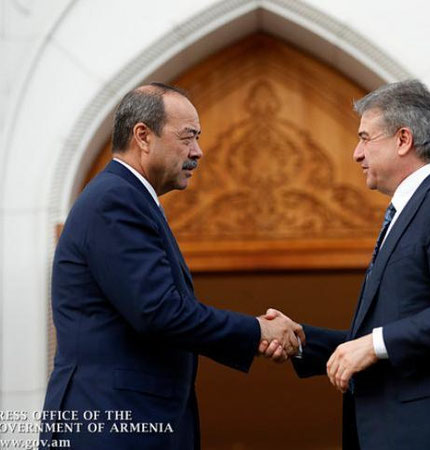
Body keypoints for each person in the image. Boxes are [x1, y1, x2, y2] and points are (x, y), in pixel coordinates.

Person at [40, 82, 303, 450]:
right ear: (143, 136)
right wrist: (257, 330)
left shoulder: (128, 198)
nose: (198, 151)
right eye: (188, 137)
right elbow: (159, 312)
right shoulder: (115, 199)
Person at [265, 80, 430, 449]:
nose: (356, 153)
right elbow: (388, 336)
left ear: (403, 140)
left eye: (365, 138)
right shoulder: (412, 211)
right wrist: (305, 342)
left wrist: (373, 344)